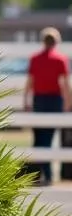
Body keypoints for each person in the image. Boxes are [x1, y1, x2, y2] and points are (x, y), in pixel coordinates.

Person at [23, 27, 71, 185]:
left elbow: (30, 82)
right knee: (47, 139)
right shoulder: (60, 59)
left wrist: (26, 100)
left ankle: (39, 175)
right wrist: (68, 102)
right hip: (54, 100)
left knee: (39, 138)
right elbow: (65, 84)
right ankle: (46, 175)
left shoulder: (35, 58)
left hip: (39, 99)